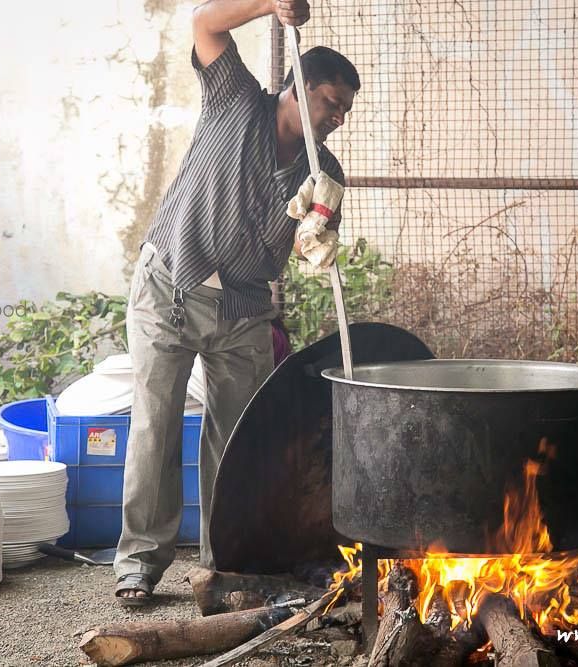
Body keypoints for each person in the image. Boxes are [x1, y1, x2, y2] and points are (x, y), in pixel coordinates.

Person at [114, 0, 359, 605]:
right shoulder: (235, 101)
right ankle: (140, 563)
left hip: (243, 311)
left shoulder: (323, 173)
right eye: (331, 102)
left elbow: (309, 246)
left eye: (345, 109)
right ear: (297, 89)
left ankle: (225, 559)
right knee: (154, 425)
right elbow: (204, 21)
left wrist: (319, 236)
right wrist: (268, 3)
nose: (338, 118)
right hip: (169, 286)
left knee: (236, 437)